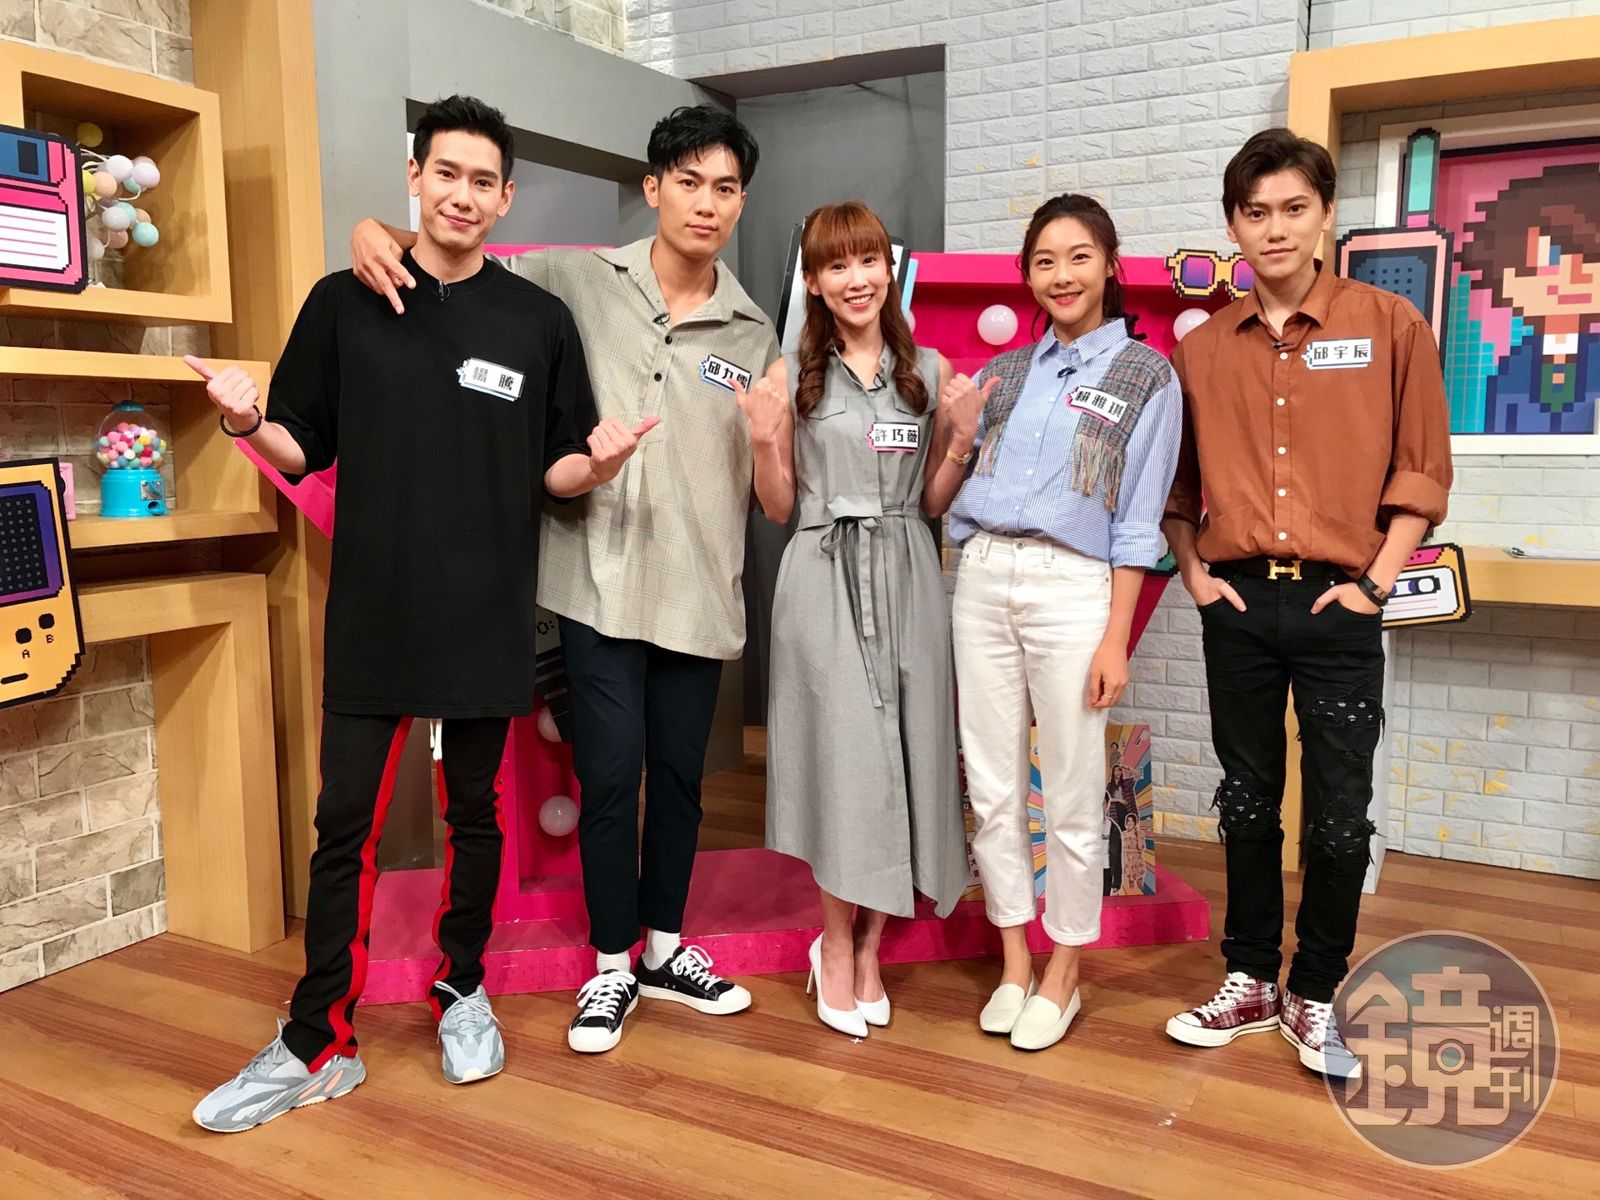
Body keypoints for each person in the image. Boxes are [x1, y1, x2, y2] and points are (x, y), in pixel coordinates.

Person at [190, 95, 642, 1131]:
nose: (463, 196)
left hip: (487, 611)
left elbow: (557, 467)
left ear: (505, 197)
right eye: (447, 174)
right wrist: (247, 422)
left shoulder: (536, 321)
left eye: (484, 181)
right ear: (415, 177)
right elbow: (302, 444)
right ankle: (318, 1041)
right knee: (342, 826)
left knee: (475, 816)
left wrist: (599, 464)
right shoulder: (344, 301)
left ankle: (460, 986)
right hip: (375, 609)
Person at [350, 105, 778, 1053]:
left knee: (680, 780)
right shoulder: (577, 278)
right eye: (688, 182)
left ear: (741, 202)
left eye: (725, 188)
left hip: (700, 585)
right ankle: (612, 965)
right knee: (610, 775)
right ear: (653, 187)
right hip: (597, 578)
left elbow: (768, 476)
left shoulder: (755, 332)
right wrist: (372, 230)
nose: (706, 204)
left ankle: (666, 949)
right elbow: (460, 260)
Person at [1160, 128, 1451, 1078]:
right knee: (1246, 799)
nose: (1275, 228)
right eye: (1256, 212)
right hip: (1238, 605)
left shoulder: (1390, 325)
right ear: (1233, 226)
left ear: (1326, 214)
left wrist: (1375, 583)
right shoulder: (1202, 349)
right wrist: (1195, 574)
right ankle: (1249, 977)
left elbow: (1421, 470)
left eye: (1293, 208)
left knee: (1340, 813)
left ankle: (1315, 989)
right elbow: (1176, 485)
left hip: (1341, 604)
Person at [924, 194, 1183, 1052]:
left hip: (1074, 587)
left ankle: (1064, 972)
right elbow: (952, 490)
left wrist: (1116, 637)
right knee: (993, 786)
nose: (1061, 275)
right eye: (1043, 261)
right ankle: (1013, 962)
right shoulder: (1003, 375)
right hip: (981, 576)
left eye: (1078, 257)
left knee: (1071, 791)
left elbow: (1139, 521)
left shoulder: (1147, 376)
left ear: (1110, 265)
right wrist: (960, 434)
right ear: (1027, 275)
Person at [737, 201, 969, 1038]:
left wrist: (961, 440)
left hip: (908, 573)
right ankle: (834, 945)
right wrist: (766, 441)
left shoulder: (929, 371)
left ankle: (872, 947)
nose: (856, 278)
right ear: (813, 282)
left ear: (888, 269)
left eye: (868, 260)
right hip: (823, 576)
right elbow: (778, 508)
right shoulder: (787, 377)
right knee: (846, 765)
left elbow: (934, 502)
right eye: (836, 265)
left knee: (907, 756)